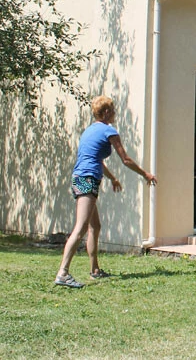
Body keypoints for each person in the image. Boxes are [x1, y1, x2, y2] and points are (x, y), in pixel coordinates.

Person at [55, 96, 157, 288]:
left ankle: (95, 270)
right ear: (106, 112)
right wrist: (146, 174)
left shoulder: (89, 131)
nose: (116, 113)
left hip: (79, 178)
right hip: (88, 179)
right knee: (81, 227)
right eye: (113, 110)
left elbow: (98, 161)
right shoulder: (109, 130)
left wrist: (112, 178)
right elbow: (125, 159)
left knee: (95, 226)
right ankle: (63, 273)